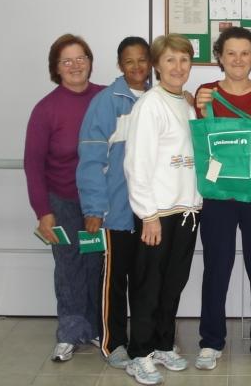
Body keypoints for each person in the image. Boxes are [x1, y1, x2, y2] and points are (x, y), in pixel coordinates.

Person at [194, 26, 251, 373]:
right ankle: (211, 341)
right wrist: (199, 109)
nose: (238, 59)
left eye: (245, 53)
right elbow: (202, 142)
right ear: (219, 56)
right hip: (219, 194)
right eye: (230, 53)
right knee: (217, 267)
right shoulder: (206, 93)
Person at [123, 34, 202, 385]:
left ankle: (162, 344)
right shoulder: (150, 105)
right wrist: (148, 215)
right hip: (158, 214)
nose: (178, 67)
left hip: (187, 211)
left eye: (184, 60)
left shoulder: (186, 104)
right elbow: (136, 164)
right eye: (170, 60)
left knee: (172, 285)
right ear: (157, 65)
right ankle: (139, 354)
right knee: (149, 286)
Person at [24, 33, 104, 362]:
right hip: (63, 201)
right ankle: (70, 332)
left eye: (80, 58)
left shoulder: (106, 98)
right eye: (66, 61)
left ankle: (98, 329)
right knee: (69, 267)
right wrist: (43, 211)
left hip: (100, 204)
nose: (75, 65)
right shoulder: (46, 109)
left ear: (90, 61)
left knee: (97, 265)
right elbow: (33, 164)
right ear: (56, 68)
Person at [76, 36, 151, 369]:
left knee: (144, 280)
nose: (137, 66)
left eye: (142, 59)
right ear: (120, 65)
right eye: (129, 61)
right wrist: (94, 209)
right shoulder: (107, 101)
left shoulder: (156, 99)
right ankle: (114, 343)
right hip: (114, 212)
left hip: (147, 212)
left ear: (151, 63)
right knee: (114, 283)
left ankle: (142, 342)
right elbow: (92, 159)